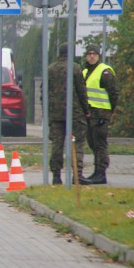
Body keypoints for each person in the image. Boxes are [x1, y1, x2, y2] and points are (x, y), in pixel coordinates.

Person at [47, 49, 90, 185]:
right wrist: (86, 110)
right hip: (74, 113)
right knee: (76, 143)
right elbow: (81, 91)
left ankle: (56, 175)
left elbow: (45, 91)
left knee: (57, 144)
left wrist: (47, 110)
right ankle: (77, 175)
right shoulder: (75, 68)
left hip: (55, 113)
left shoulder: (50, 69)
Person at [82, 43, 118, 185]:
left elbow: (114, 94)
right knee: (92, 143)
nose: (92, 56)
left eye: (94, 54)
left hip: (101, 114)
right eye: (89, 54)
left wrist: (109, 113)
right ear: (86, 56)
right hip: (90, 114)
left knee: (100, 144)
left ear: (98, 56)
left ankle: (101, 173)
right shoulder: (85, 72)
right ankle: (96, 172)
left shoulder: (105, 72)